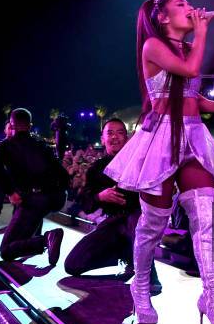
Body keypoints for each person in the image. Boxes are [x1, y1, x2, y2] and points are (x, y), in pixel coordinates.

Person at [103, 0, 214, 324]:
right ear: (164, 18)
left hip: (193, 136)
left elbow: (189, 92)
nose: (191, 8)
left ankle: (212, 305)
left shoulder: (183, 49)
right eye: (181, 5)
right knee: (153, 224)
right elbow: (190, 72)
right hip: (162, 139)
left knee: (207, 220)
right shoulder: (154, 45)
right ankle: (140, 287)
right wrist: (201, 34)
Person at [64, 118, 162, 292]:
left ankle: (148, 275)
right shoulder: (96, 168)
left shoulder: (140, 162)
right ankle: (124, 257)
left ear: (127, 137)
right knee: (73, 265)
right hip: (112, 224)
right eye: (110, 133)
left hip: (137, 222)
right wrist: (100, 196)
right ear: (102, 138)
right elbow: (86, 204)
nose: (115, 137)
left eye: (120, 133)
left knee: (135, 220)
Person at [0, 108, 69, 263]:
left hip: (33, 200)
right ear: (30, 125)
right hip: (56, 198)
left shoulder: (5, 146)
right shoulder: (42, 145)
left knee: (6, 250)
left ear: (11, 125)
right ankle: (37, 239)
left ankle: (46, 239)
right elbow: (63, 174)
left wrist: (10, 192)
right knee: (30, 220)